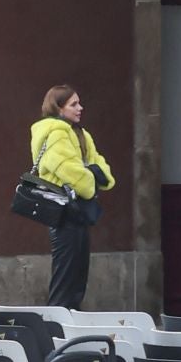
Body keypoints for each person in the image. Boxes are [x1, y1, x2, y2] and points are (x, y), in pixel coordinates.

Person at [30, 85, 115, 311]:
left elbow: (101, 165)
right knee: (66, 281)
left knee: (77, 279)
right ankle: (57, 332)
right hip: (63, 212)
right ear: (58, 108)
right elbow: (71, 172)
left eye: (79, 102)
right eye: (73, 104)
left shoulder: (81, 134)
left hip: (79, 212)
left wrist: (97, 175)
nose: (80, 108)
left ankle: (69, 328)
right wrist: (92, 180)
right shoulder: (55, 133)